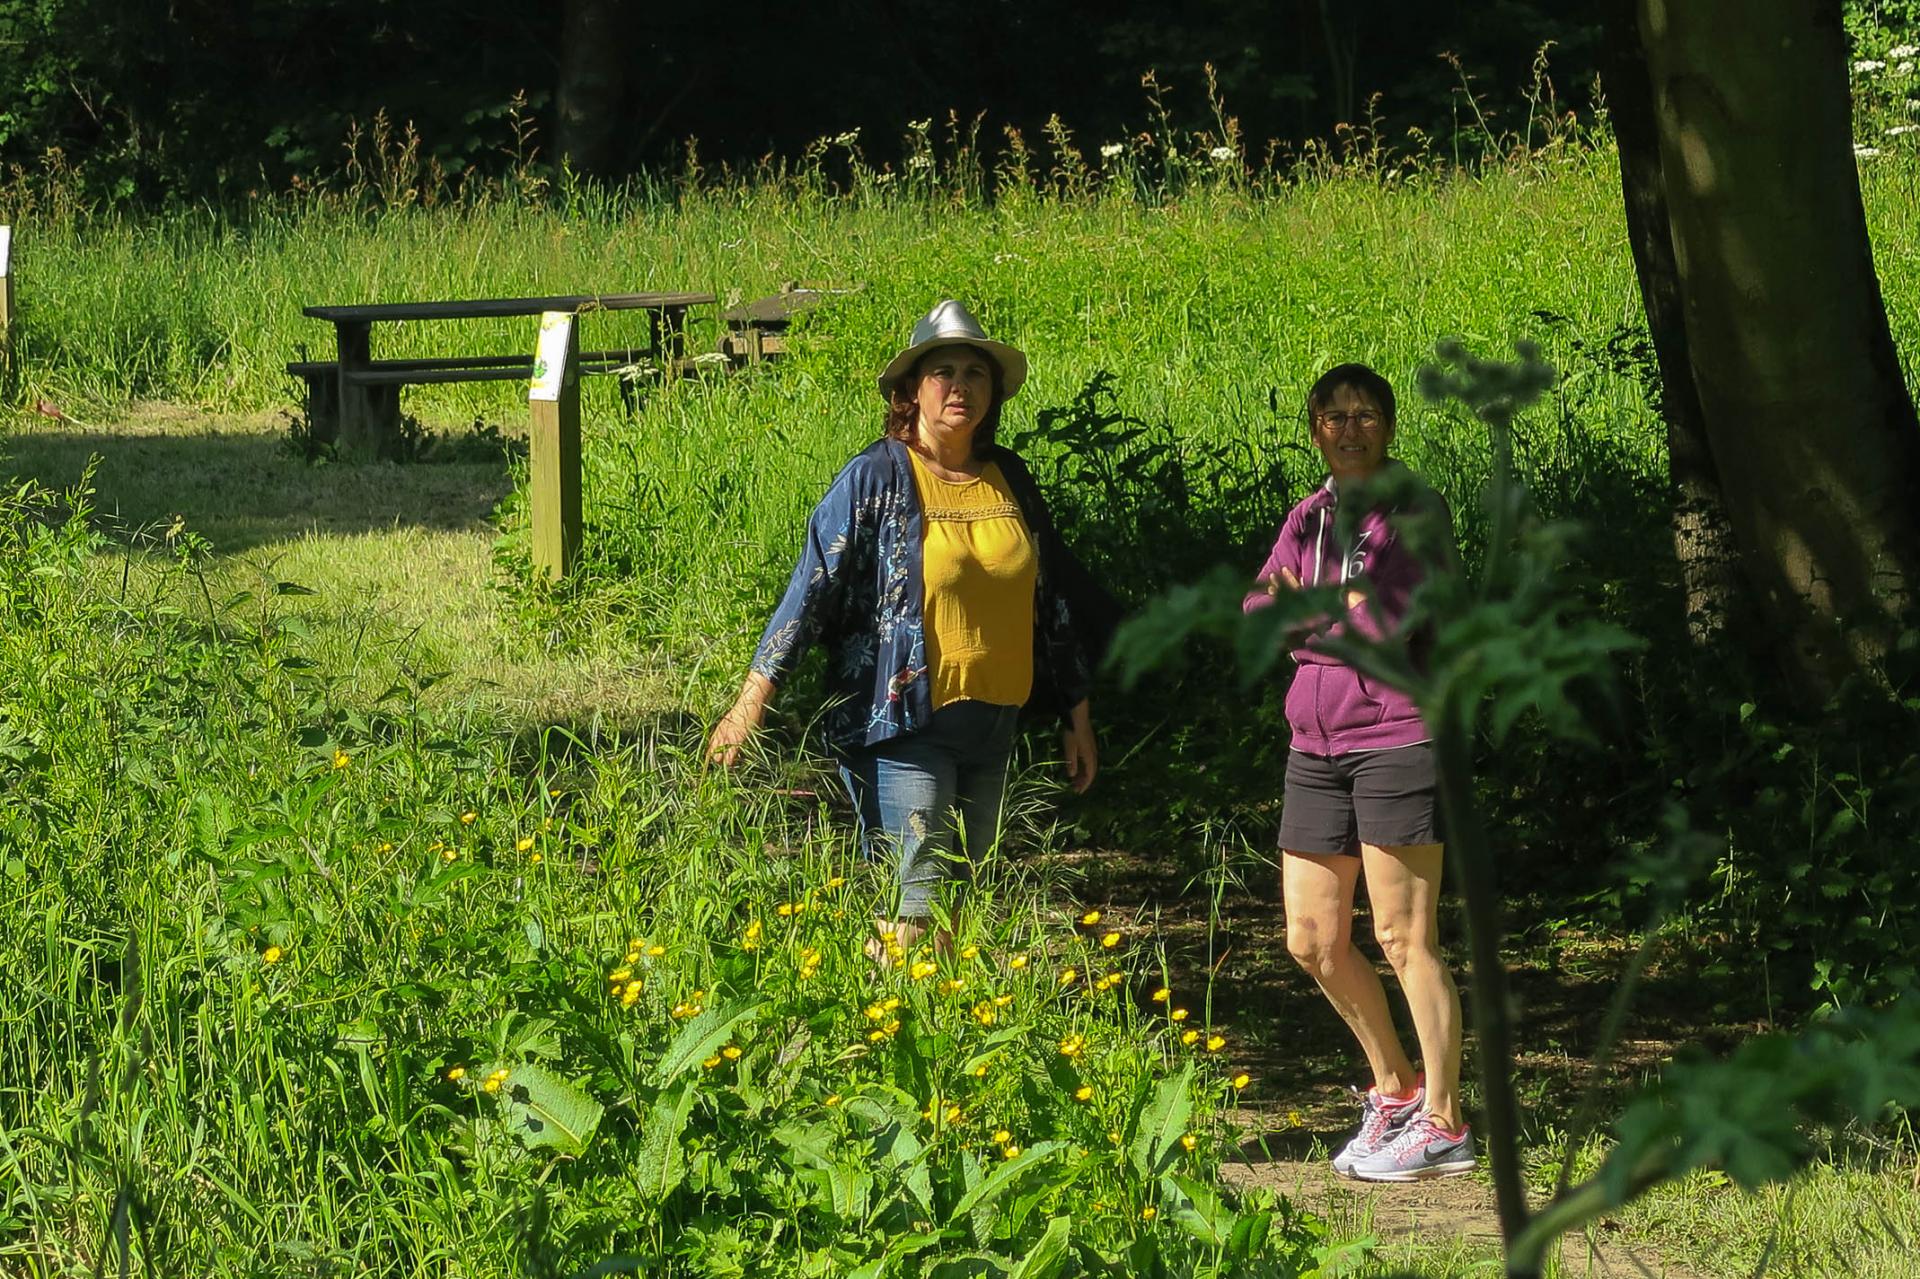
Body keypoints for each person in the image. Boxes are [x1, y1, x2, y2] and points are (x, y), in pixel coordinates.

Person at [707, 300, 1101, 958]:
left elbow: (1050, 599)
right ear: (911, 391)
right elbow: (811, 589)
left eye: (975, 373)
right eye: (942, 371)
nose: (960, 387)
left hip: (993, 725)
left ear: (992, 392)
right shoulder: (877, 476)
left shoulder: (1011, 479)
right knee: (916, 903)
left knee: (963, 909)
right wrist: (752, 702)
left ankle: (929, 1044)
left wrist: (1077, 712)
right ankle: (879, 1039)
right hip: (905, 727)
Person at [1244, 363, 1473, 1182]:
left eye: (1365, 414)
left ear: (1389, 427)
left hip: (1397, 737)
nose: (1349, 428)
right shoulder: (1308, 518)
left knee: (1404, 935)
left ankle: (1445, 1120)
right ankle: (1395, 1089)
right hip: (1314, 743)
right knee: (1311, 938)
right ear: (1314, 428)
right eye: (1334, 416)